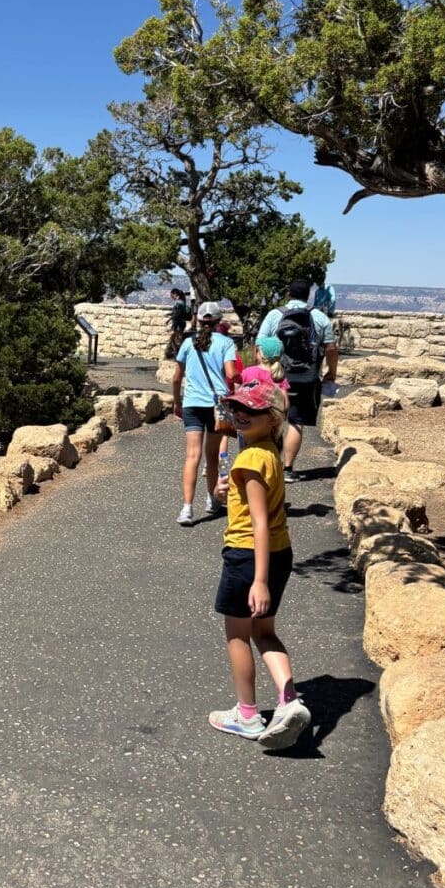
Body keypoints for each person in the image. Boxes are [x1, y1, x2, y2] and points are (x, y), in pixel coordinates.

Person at [207, 378, 311, 748]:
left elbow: (258, 522)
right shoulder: (267, 452)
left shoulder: (250, 458)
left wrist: (259, 580)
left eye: (250, 410)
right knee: (264, 631)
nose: (239, 414)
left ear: (272, 418)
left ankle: (247, 715)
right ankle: (289, 701)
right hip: (279, 552)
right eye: (236, 407)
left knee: (238, 634)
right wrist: (224, 491)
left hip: (248, 556)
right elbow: (258, 503)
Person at [257, 279, 338, 482]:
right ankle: (287, 469)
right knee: (296, 422)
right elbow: (331, 348)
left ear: (289, 293)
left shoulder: (275, 315)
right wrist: (331, 372)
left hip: (276, 375)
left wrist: (260, 369)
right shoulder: (319, 317)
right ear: (308, 295)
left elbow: (259, 344)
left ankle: (267, 466)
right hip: (306, 377)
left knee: (270, 420)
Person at [171, 301, 238, 527]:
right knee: (213, 455)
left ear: (199, 320)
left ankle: (187, 508)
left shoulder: (188, 343)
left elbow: (176, 377)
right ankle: (212, 498)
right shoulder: (226, 343)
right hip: (217, 403)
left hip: (192, 402)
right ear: (219, 321)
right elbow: (231, 373)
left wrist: (177, 402)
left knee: (192, 456)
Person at [164, 288, 189, 360]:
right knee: (175, 338)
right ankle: (177, 353)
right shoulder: (182, 302)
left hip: (178, 324)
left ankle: (178, 354)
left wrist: (169, 320)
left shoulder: (178, 303)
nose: (171, 297)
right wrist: (170, 314)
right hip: (181, 323)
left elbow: (177, 314)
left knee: (177, 339)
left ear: (174, 294)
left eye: (171, 295)